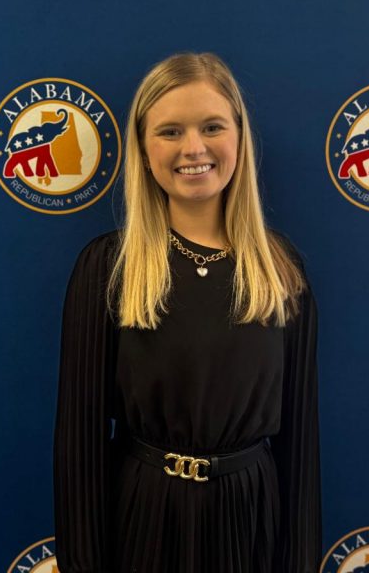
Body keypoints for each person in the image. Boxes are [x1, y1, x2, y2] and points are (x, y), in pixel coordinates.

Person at [54, 52, 320, 573]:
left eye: (212, 127)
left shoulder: (281, 271)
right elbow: (80, 443)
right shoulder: (108, 266)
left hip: (250, 522)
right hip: (144, 517)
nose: (193, 148)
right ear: (143, 150)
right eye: (170, 131)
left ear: (239, 138)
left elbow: (300, 442)